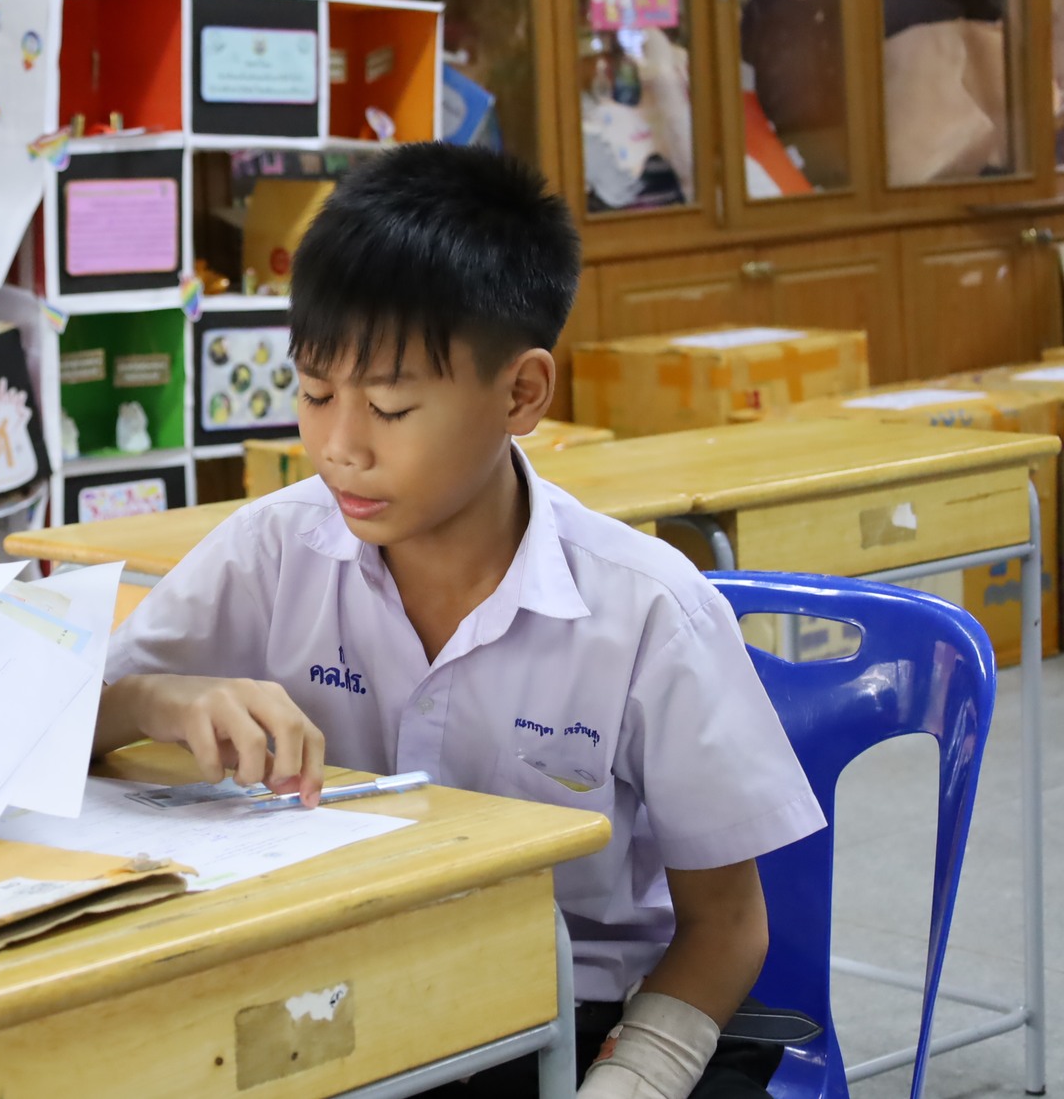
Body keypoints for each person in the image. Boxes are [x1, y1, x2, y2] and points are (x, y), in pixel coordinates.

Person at [95, 143, 824, 1099]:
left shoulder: (648, 609)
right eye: (314, 393)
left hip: (581, 1017)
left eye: (391, 407)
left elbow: (728, 925)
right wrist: (158, 698)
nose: (339, 446)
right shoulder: (274, 548)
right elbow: (48, 724)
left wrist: (636, 1078)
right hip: (346, 1008)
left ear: (521, 393)